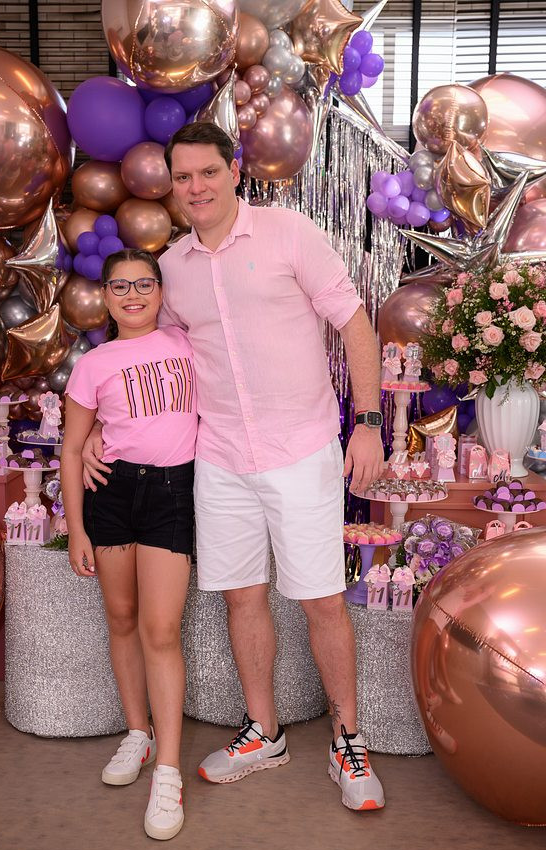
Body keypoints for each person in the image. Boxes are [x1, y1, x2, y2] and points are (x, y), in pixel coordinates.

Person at [82, 123, 386, 812]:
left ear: (235, 170)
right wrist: (102, 426)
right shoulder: (175, 268)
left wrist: (367, 423)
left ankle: (347, 739)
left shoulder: (288, 233)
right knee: (241, 596)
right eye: (183, 177)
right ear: (172, 185)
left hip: (301, 448)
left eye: (208, 173)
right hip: (219, 457)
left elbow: (354, 322)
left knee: (321, 600)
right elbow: (153, 356)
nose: (196, 187)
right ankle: (264, 732)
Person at [61, 249, 197, 841]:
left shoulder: (187, 343)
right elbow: (72, 449)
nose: (133, 295)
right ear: (105, 297)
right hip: (111, 496)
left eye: (144, 284)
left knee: (160, 630)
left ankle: (168, 771)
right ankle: (137, 733)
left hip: (172, 493)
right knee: (121, 618)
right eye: (120, 286)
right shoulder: (94, 364)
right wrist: (77, 529)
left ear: (162, 291)